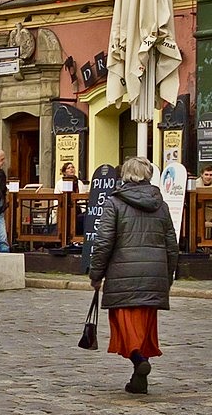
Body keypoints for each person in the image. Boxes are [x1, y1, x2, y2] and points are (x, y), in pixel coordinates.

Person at [89, 155, 177, 397]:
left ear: (124, 175)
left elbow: (104, 242)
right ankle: (140, 380)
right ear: (147, 175)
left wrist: (96, 274)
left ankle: (138, 360)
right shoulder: (161, 205)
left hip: (123, 275)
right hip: (153, 276)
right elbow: (171, 243)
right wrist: (168, 275)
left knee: (125, 324)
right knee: (144, 327)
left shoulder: (114, 203)